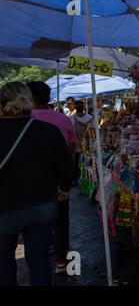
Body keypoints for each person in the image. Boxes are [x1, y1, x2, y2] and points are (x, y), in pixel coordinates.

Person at [0, 82, 72, 286]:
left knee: (4, 262)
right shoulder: (48, 131)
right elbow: (66, 167)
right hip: (42, 206)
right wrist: (64, 189)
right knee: (39, 261)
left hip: (4, 209)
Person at [27, 81, 76, 274]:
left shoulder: (23, 119)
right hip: (58, 178)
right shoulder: (63, 119)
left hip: (32, 180)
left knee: (36, 221)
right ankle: (62, 259)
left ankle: (43, 249)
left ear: (30, 98)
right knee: (61, 219)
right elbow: (71, 150)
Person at [71, 100, 93, 184]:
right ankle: (75, 179)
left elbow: (91, 131)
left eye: (80, 105)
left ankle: (86, 180)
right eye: (77, 105)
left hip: (87, 143)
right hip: (75, 143)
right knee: (75, 162)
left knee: (86, 162)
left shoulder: (89, 118)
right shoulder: (71, 118)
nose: (78, 107)